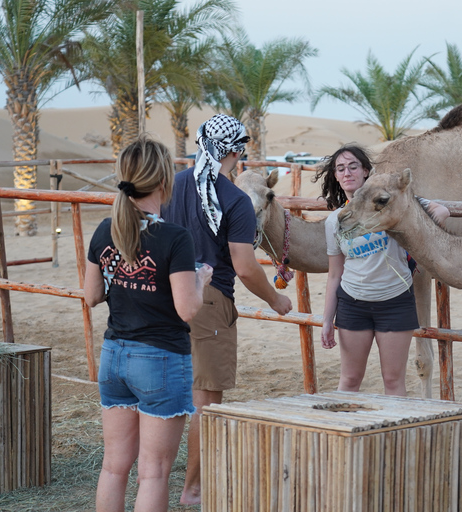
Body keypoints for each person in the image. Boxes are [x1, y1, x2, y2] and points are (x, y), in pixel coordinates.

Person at [161, 113, 293, 505]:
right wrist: (276, 299)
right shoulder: (233, 198)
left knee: (168, 394)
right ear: (235, 151)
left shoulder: (170, 185)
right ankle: (193, 490)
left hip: (163, 295)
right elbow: (244, 266)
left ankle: (158, 479)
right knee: (206, 402)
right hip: (209, 301)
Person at [84, 136, 213, 512]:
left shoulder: (106, 229)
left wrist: (123, 275)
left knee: (113, 466)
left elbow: (91, 295)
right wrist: (200, 280)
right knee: (154, 472)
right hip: (159, 359)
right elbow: (187, 309)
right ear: (163, 182)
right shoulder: (174, 237)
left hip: (114, 356)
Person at [316, 144, 420, 396]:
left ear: (366, 171)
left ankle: (396, 436)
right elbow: (334, 275)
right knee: (349, 379)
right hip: (353, 305)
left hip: (395, 302)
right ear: (335, 176)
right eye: (340, 168)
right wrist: (327, 320)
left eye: (353, 166)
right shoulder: (335, 221)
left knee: (393, 381)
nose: (347, 172)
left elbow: (435, 210)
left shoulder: (388, 204)